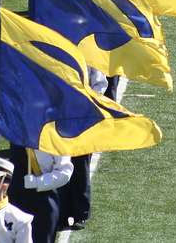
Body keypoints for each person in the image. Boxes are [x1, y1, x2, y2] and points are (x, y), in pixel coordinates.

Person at [55, 66, 108, 233]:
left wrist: (89, 103)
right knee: (58, 162)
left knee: (80, 165)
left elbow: (99, 82)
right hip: (59, 114)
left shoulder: (89, 50)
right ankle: (61, 213)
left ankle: (80, 214)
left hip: (83, 115)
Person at [8, 144, 74, 243]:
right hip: (15, 198)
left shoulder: (55, 137)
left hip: (43, 199)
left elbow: (64, 172)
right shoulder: (18, 130)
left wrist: (37, 182)